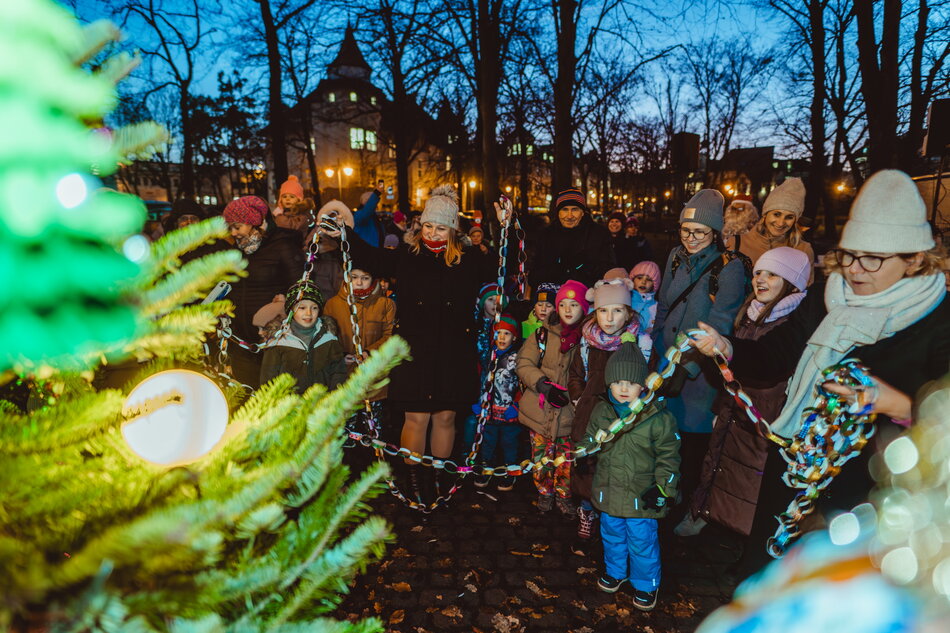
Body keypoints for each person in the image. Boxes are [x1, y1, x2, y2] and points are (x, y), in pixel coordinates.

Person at [689, 170, 949, 578]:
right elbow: (776, 354)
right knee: (766, 575)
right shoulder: (828, 297)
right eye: (849, 255)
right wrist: (727, 347)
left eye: (873, 259)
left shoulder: (937, 322)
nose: (856, 270)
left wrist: (895, 404)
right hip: (794, 458)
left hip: (868, 490)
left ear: (915, 258)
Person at [336, 185, 510, 504]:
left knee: (445, 416)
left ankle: (439, 474)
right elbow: (370, 257)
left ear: (453, 229)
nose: (432, 232)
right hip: (414, 348)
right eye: (428, 225)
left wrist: (504, 227)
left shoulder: (469, 259)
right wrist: (344, 230)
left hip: (453, 348)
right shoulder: (408, 255)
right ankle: (415, 475)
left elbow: (503, 268)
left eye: (440, 227)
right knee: (416, 416)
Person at [674, 247, 810, 538]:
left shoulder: (792, 326)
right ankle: (704, 513)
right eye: (758, 273)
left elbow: (771, 365)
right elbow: (731, 371)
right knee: (718, 462)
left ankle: (746, 534)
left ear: (792, 283)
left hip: (764, 413)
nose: (761, 279)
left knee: (751, 475)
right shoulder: (748, 314)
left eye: (772, 274)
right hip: (734, 406)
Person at [654, 189, 747, 507]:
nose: (691, 238)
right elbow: (663, 305)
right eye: (685, 230)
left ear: (716, 232)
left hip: (698, 373)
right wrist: (658, 346)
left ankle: (687, 500)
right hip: (666, 360)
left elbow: (721, 323)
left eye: (700, 233)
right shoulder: (675, 257)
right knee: (663, 436)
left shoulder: (728, 268)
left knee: (690, 441)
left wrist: (689, 366)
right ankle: (663, 491)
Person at [584, 343, 680, 611]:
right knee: (612, 535)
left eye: (631, 382)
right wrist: (583, 452)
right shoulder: (602, 411)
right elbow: (591, 438)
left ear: (643, 385)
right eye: (617, 382)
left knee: (642, 542)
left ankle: (646, 584)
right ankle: (616, 572)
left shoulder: (658, 418)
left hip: (641, 497)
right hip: (610, 492)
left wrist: (664, 490)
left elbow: (669, 458)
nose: (623, 389)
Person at [569, 277, 640, 541]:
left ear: (629, 312)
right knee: (587, 471)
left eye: (617, 310)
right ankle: (586, 511)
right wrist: (579, 398)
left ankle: (610, 517)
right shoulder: (587, 344)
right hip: (588, 418)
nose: (609, 318)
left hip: (621, 422)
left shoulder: (639, 345)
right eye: (602, 310)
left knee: (614, 471)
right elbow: (575, 375)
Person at [517, 280, 588, 514]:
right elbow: (524, 362)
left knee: (566, 462)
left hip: (570, 413)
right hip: (541, 410)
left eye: (574, 304)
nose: (568, 310)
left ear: (584, 309)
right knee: (541, 458)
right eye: (563, 304)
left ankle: (563, 494)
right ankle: (544, 492)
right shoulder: (542, 334)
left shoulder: (588, 339)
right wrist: (542, 384)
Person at [224, 195, 305, 387]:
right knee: (248, 394)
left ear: (254, 223)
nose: (233, 233)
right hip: (241, 340)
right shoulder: (236, 252)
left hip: (273, 338)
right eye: (230, 228)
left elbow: (301, 285)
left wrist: (285, 303)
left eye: (238, 226)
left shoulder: (282, 246)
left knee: (274, 393)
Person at [260, 281, 347, 393]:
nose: (309, 313)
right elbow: (268, 379)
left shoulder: (328, 339)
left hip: (322, 406)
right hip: (289, 407)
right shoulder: (278, 342)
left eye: (314, 308)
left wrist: (334, 401)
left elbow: (338, 373)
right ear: (291, 310)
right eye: (302, 308)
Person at [469, 315, 523, 492]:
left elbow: (524, 384)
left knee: (509, 444)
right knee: (488, 442)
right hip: (488, 413)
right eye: (498, 333)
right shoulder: (487, 356)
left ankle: (510, 471)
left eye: (506, 334)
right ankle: (486, 469)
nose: (501, 337)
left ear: (514, 337)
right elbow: (480, 379)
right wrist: (477, 402)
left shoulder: (517, 358)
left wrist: (517, 405)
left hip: (508, 413)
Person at [730, 178, 815, 285]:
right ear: (765, 214)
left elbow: (804, 290)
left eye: (789, 217)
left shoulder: (803, 250)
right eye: (777, 214)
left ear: (795, 220)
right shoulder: (736, 243)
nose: (780, 223)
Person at [530, 188, 616, 287]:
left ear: (583, 212)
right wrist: (557, 270)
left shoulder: (599, 234)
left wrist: (581, 271)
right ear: (558, 213)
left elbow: (608, 269)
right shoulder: (546, 235)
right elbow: (534, 273)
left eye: (575, 209)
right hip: (552, 295)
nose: (569, 216)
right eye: (565, 209)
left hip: (589, 293)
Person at [629, 260, 661, 351]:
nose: (643, 282)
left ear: (654, 284)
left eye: (649, 280)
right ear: (632, 280)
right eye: (639, 278)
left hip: (645, 349)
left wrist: (653, 330)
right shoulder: (626, 299)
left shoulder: (657, 306)